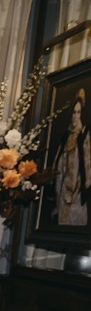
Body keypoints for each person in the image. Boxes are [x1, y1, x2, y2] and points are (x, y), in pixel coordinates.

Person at [53, 88, 91, 226]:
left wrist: (81, 185)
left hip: (77, 191)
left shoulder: (84, 134)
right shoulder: (65, 137)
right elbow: (59, 165)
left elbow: (87, 162)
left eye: (78, 112)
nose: (75, 116)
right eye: (74, 112)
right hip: (63, 191)